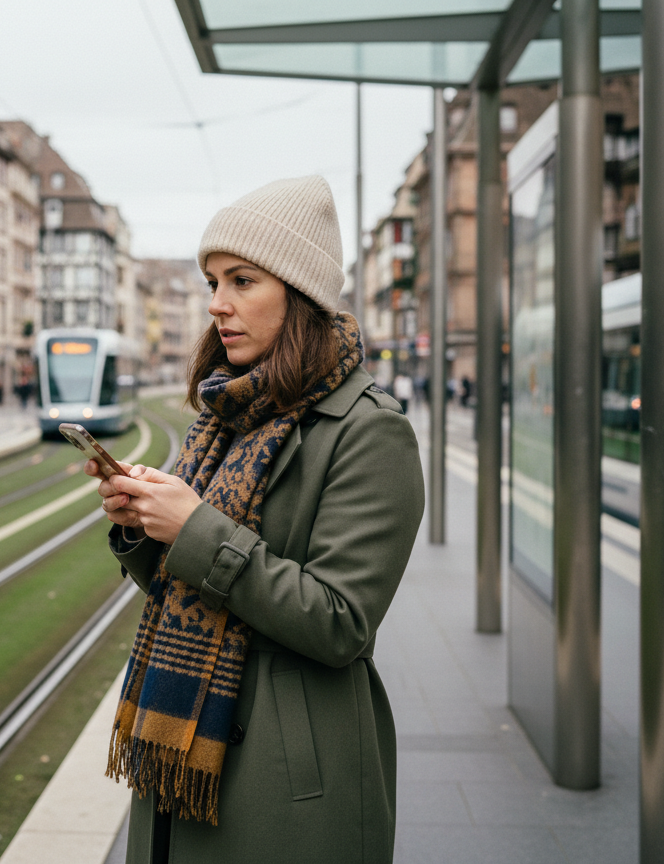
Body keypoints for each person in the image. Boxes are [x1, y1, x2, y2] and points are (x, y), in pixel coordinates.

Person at [85, 176, 425, 864]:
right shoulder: (226, 416)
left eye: (242, 281)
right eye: (213, 281)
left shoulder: (370, 433)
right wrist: (141, 526)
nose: (217, 305)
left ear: (300, 294)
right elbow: (189, 584)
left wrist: (195, 529)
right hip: (183, 755)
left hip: (285, 774)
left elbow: (340, 623)